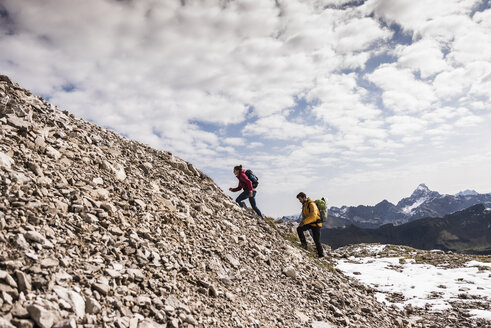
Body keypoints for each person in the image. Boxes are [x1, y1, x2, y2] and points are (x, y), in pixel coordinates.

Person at [296, 192, 324, 258]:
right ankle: (304, 246)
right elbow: (304, 216)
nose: (300, 201)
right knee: (299, 229)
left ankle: (321, 255)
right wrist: (302, 222)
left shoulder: (311, 204)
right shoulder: (304, 205)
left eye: (300, 199)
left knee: (316, 240)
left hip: (316, 224)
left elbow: (313, 216)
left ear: (304, 198)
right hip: (310, 223)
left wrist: (304, 222)